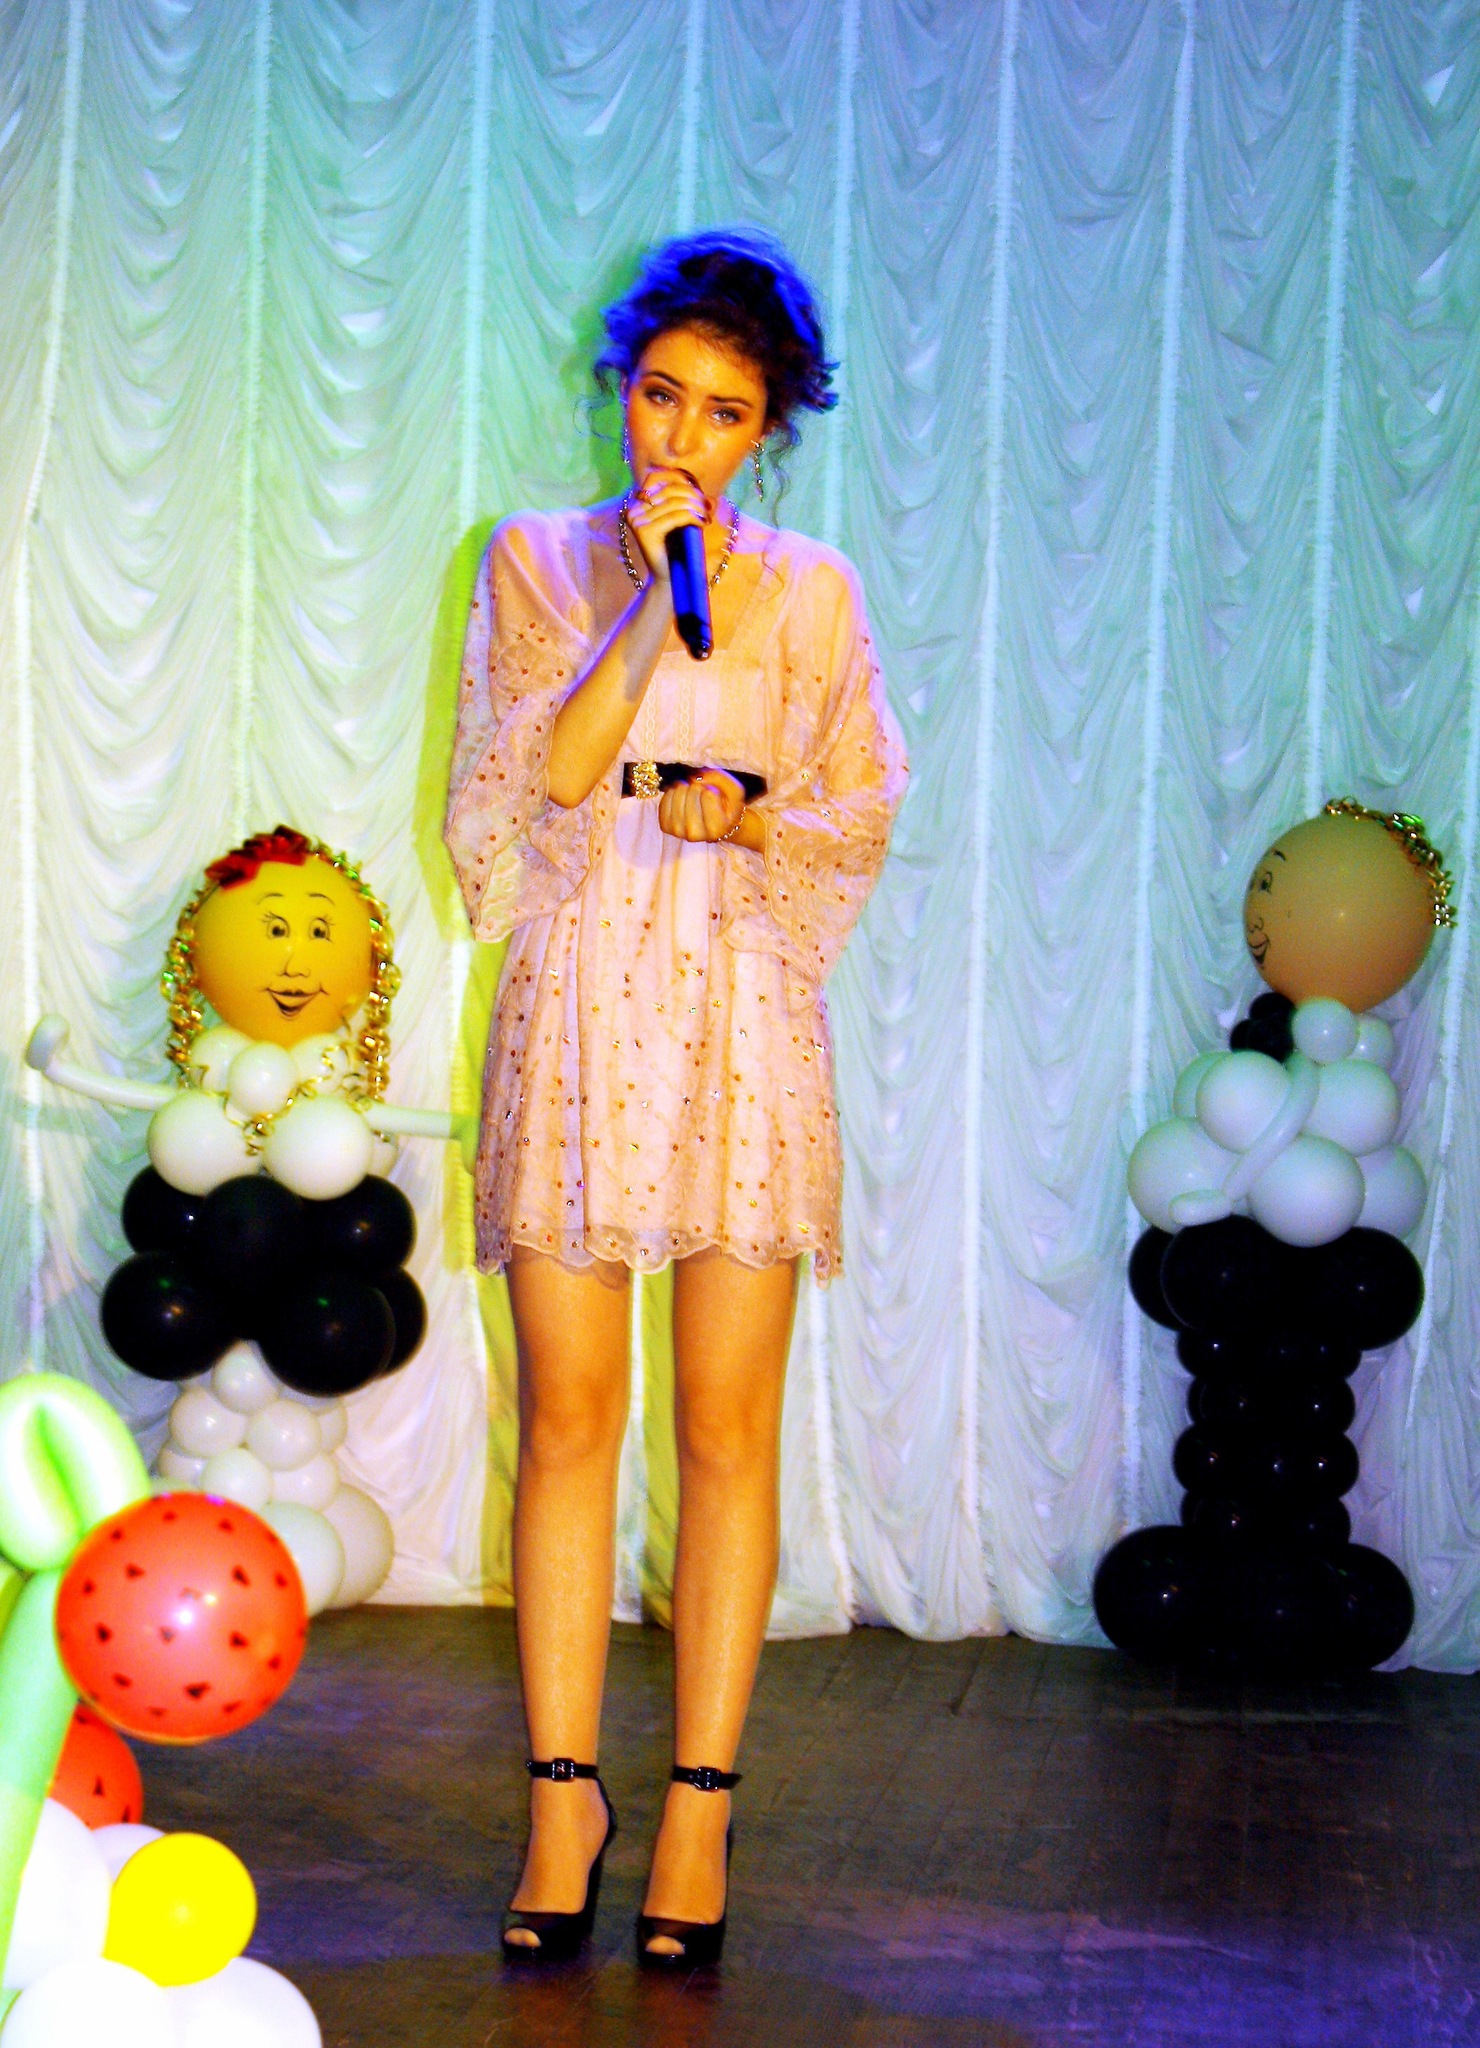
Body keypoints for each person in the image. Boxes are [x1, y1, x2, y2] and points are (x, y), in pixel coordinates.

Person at [445, 226, 906, 1969]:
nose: (684, 439)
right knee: (568, 1422)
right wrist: (653, 603)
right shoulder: (535, 559)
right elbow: (536, 781)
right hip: (579, 998)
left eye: (724, 413)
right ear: (621, 393)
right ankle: (564, 1800)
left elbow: (862, 804)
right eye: (661, 397)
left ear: (770, 429)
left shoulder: (816, 589)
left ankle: (701, 1808)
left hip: (738, 1009)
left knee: (726, 1431)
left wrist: (756, 811)